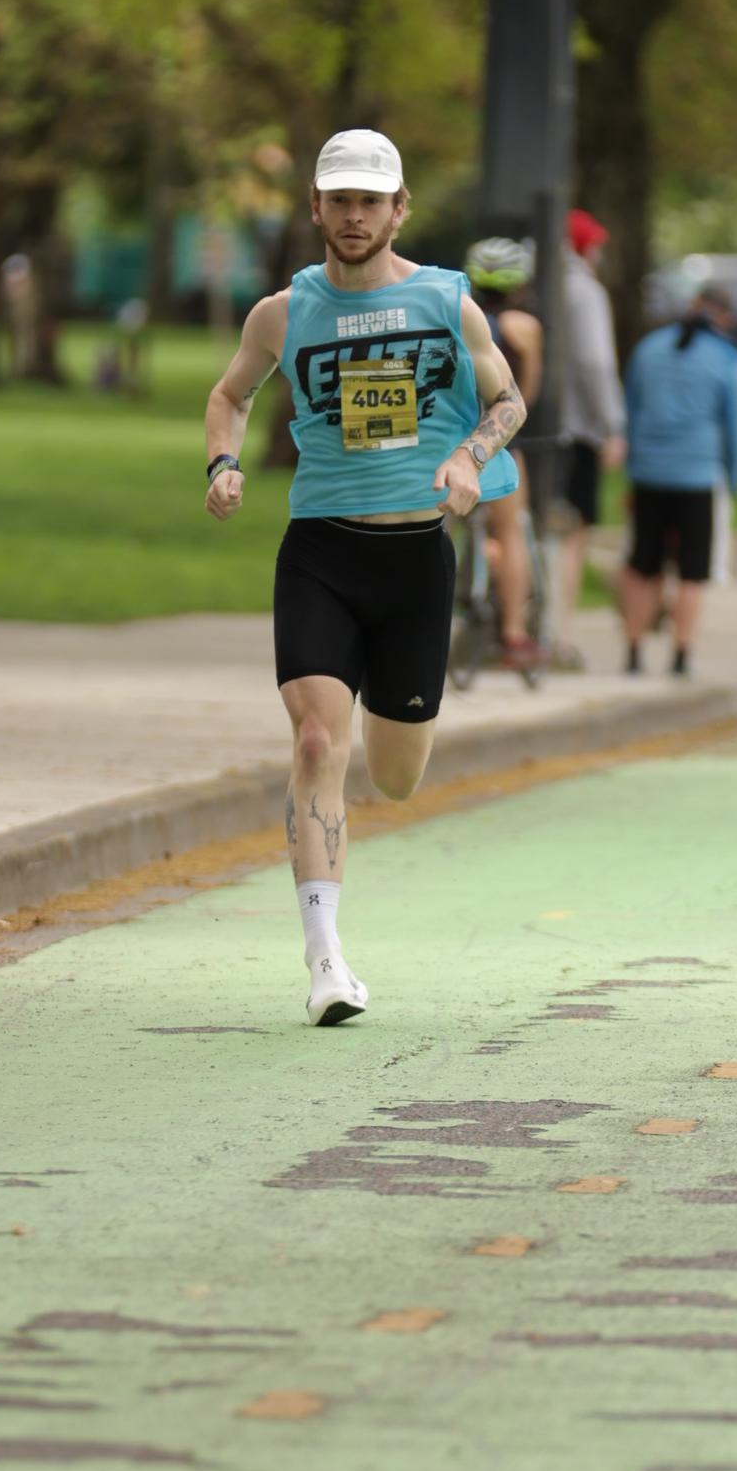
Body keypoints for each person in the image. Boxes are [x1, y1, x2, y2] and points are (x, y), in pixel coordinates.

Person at [203, 128, 524, 1026]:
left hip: (416, 560)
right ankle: (326, 962)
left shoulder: (447, 301)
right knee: (316, 744)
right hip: (322, 555)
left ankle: (335, 936)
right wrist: (222, 463)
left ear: (399, 209)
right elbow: (229, 394)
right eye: (339, 199)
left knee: (396, 777)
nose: (353, 216)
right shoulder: (282, 313)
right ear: (315, 207)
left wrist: (469, 457)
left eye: (369, 201)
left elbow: (507, 399)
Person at [620, 280, 737, 676]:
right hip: (697, 475)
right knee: (693, 571)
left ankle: (633, 650)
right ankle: (681, 655)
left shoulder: (648, 348)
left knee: (643, 564)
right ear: (725, 318)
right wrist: (733, 478)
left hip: (648, 473)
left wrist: (633, 465)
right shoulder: (728, 358)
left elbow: (631, 410)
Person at [533, 207, 627, 666]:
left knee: (530, 526)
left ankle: (523, 624)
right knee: (569, 534)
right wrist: (612, 423)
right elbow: (595, 362)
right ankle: (557, 633)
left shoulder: (531, 283)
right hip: (575, 430)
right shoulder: (585, 291)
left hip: (524, 426)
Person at [462, 232, 546, 673]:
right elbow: (522, 394)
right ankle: (513, 632)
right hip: (499, 444)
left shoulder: (459, 316)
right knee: (510, 532)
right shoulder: (525, 327)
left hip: (452, 440)